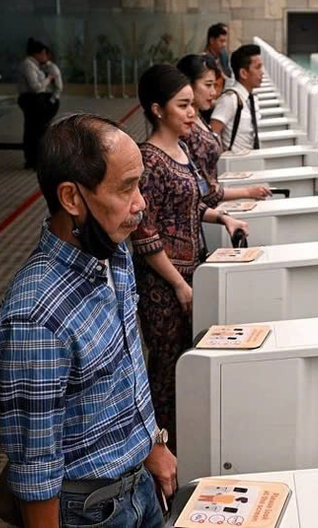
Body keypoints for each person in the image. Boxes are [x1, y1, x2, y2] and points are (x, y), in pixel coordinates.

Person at [0, 114, 176, 528]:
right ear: (72, 199)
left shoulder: (112, 249)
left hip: (137, 483)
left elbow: (129, 366)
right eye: (126, 187)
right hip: (89, 510)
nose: (141, 201)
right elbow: (35, 465)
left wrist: (153, 444)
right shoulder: (35, 319)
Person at [131, 64, 249, 450]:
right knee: (167, 371)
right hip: (163, 285)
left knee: (187, 366)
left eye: (190, 104)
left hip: (190, 275)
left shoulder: (180, 150)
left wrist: (223, 216)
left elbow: (192, 202)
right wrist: (180, 283)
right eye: (182, 106)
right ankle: (158, 452)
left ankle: (183, 450)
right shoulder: (148, 160)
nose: (191, 112)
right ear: (156, 109)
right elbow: (144, 232)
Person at [177, 53, 272, 204]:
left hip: (209, 208)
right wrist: (247, 192)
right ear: (188, 84)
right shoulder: (186, 128)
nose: (213, 92)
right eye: (208, 85)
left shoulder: (198, 118)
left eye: (214, 85)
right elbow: (201, 188)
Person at [210, 44, 264, 153]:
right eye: (258, 67)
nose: (262, 72)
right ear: (243, 73)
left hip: (251, 161)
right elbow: (212, 135)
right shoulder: (230, 99)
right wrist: (224, 159)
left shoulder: (251, 99)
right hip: (235, 165)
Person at [18, 37, 56, 169]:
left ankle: (35, 158)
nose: (45, 56)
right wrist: (48, 79)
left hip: (35, 99)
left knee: (36, 129)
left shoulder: (34, 65)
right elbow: (36, 87)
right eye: (44, 53)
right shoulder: (28, 65)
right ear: (37, 53)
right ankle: (33, 160)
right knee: (34, 130)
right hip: (31, 100)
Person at [42, 45, 62, 117]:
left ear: (48, 55)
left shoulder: (53, 68)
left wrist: (51, 101)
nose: (41, 56)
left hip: (50, 99)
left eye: (43, 54)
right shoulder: (40, 67)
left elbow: (59, 87)